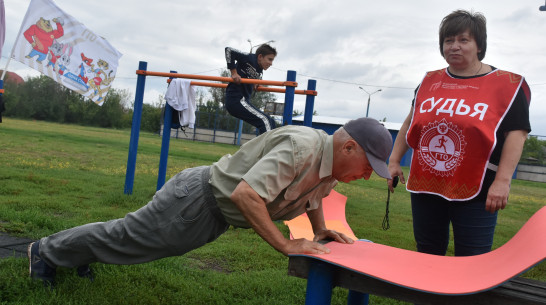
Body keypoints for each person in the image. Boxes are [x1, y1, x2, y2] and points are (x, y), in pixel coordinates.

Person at [29, 117, 393, 287]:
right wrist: (285, 243)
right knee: (127, 237)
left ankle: (74, 256)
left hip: (211, 212)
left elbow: (313, 198)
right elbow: (246, 195)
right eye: (367, 166)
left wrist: (320, 230)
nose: (365, 176)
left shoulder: (328, 169)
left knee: (132, 241)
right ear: (348, 147)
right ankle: (45, 252)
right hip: (196, 200)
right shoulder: (302, 150)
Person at [387, 10, 531, 257]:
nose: (454, 46)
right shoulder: (429, 81)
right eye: (448, 40)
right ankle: (428, 296)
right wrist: (393, 161)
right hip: (427, 187)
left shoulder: (508, 84)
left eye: (464, 40)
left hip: (478, 189)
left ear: (479, 46)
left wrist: (503, 182)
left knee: (473, 261)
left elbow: (517, 135)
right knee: (427, 256)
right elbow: (410, 122)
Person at [224, 44, 277, 135]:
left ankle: (261, 148)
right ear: (260, 56)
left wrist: (255, 83)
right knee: (265, 121)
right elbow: (229, 50)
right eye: (270, 59)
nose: (271, 63)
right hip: (236, 99)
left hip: (244, 101)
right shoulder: (249, 58)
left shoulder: (260, 70)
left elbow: (251, 77)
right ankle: (267, 149)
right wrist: (234, 72)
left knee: (271, 122)